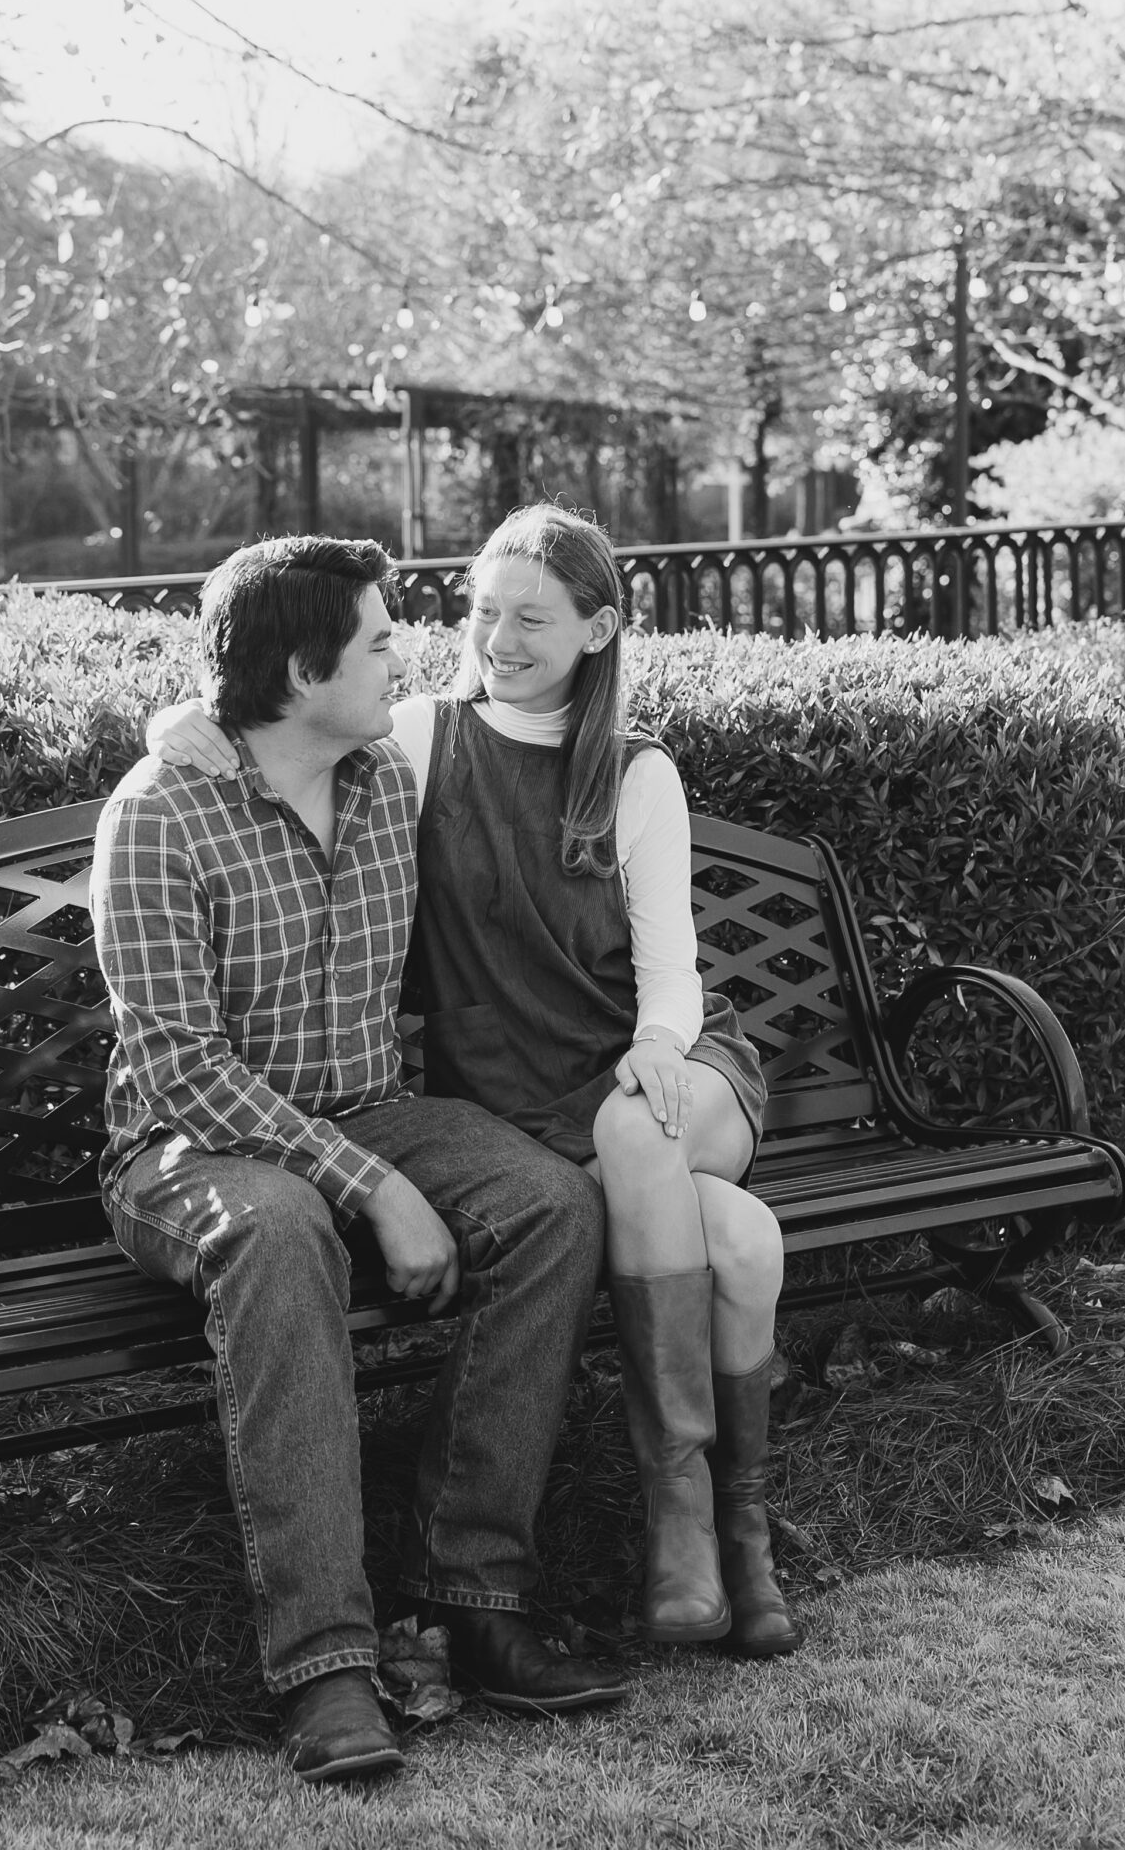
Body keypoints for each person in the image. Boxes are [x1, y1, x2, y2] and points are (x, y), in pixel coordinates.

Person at [151, 506, 798, 1660]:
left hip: (664, 1070)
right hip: (525, 1097)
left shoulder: (636, 770)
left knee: (637, 1143)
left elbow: (674, 968)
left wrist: (658, 1044)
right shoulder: (418, 737)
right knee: (740, 1245)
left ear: (599, 630)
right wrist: (182, 718)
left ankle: (682, 1530)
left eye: (532, 618)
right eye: (483, 609)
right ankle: (736, 1544)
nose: (494, 635)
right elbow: (276, 715)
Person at [94, 533, 626, 1791]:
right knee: (282, 1234)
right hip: (188, 1147)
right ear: (296, 669)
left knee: (552, 1206)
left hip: (367, 1104)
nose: (406, 655)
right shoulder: (159, 812)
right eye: (380, 640)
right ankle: (324, 1661)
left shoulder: (389, 773)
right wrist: (372, 1187)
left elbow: (539, 715)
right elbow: (176, 1064)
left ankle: (473, 1595)